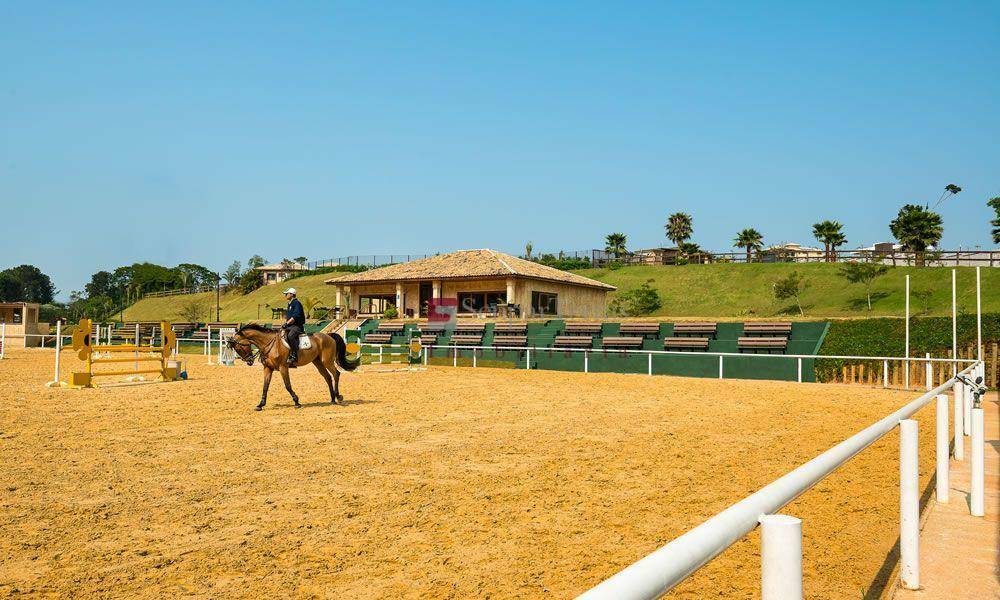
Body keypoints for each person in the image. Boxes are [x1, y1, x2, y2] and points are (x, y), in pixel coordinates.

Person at [282, 287, 306, 366]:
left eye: (287, 293)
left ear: (292, 294)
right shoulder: (289, 304)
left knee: (290, 336)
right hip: (290, 326)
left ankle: (294, 355)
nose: (285, 295)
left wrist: (287, 323)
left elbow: (295, 316)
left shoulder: (296, 303)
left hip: (297, 326)